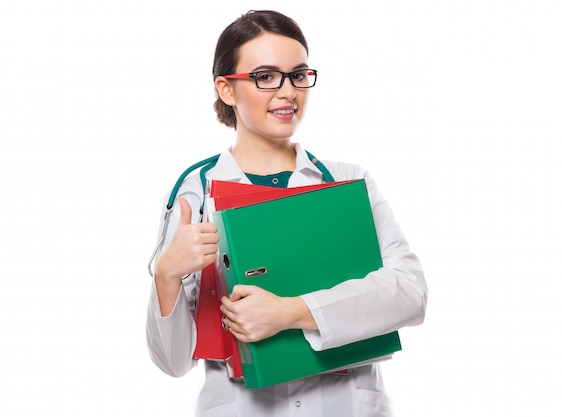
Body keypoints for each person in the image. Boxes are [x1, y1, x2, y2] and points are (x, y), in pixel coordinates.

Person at [146, 9, 428, 417]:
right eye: (265, 76)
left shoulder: (347, 182)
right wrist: (167, 274)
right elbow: (172, 363)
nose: (288, 91)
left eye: (298, 74)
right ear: (227, 89)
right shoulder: (196, 195)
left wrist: (290, 313)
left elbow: (409, 292)